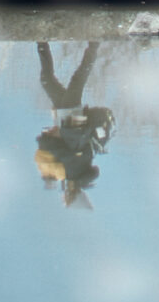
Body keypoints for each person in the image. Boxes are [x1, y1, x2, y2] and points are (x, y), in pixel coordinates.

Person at [33, 42, 114, 209]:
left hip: (65, 116)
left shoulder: (80, 169)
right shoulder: (73, 170)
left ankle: (42, 41)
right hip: (70, 117)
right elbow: (60, 150)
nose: (65, 193)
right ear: (73, 190)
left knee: (48, 80)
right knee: (77, 79)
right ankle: (93, 45)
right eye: (68, 195)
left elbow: (67, 147)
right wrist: (45, 140)